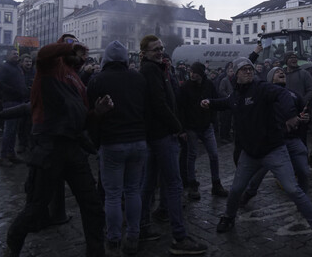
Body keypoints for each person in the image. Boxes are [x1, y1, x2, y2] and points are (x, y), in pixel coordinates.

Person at [4, 34, 112, 257]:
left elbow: (83, 118)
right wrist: (70, 46)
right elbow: (44, 53)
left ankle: (96, 251)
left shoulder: (79, 81)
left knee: (91, 205)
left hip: (73, 147)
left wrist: (98, 113)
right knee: (36, 207)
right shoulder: (50, 67)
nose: (78, 49)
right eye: (71, 44)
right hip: (49, 145)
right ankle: (13, 244)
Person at [202, 57, 312, 249]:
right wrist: (210, 102)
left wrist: (291, 114)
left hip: (274, 150)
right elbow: (225, 103)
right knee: (235, 190)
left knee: (293, 189)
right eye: (244, 70)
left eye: (250, 69)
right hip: (250, 154)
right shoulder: (235, 96)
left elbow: (282, 95)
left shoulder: (261, 88)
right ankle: (228, 216)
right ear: (235, 73)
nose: (248, 72)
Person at [138, 34, 207, 255]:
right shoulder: (150, 70)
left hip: (156, 135)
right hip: (162, 135)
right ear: (145, 53)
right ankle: (179, 237)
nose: (160, 52)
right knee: (174, 184)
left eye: (161, 48)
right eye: (154, 49)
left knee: (148, 183)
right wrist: (178, 127)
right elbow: (159, 104)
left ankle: (141, 226)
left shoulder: (158, 69)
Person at [87, 41, 148, 255]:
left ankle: (113, 238)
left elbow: (90, 112)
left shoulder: (97, 80)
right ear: (125, 59)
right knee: (133, 191)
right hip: (138, 141)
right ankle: (133, 235)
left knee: (113, 195)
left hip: (112, 142)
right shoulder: (139, 78)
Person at [238, 66, 310, 206]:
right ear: (270, 78)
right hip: (272, 143)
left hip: (292, 140)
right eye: (277, 72)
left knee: (303, 171)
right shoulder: (263, 94)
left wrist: (305, 118)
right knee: (259, 172)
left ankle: (303, 200)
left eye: (282, 71)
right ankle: (249, 193)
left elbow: (303, 112)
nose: (281, 72)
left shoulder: (294, 94)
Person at [178, 62, 228, 201]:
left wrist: (213, 120)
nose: (192, 74)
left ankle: (216, 183)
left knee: (214, 154)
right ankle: (192, 184)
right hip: (191, 127)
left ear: (201, 73)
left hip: (206, 126)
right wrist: (182, 129)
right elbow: (181, 108)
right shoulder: (185, 87)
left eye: (195, 72)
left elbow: (215, 100)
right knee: (192, 155)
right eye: (191, 72)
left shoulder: (209, 84)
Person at [0, 49, 27, 167]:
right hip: (10, 101)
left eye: (17, 54)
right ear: (8, 55)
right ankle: (3, 157)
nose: (16, 55)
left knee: (14, 130)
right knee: (9, 129)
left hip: (19, 101)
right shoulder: (4, 67)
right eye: (14, 54)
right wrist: (14, 91)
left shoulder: (18, 68)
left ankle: (10, 153)